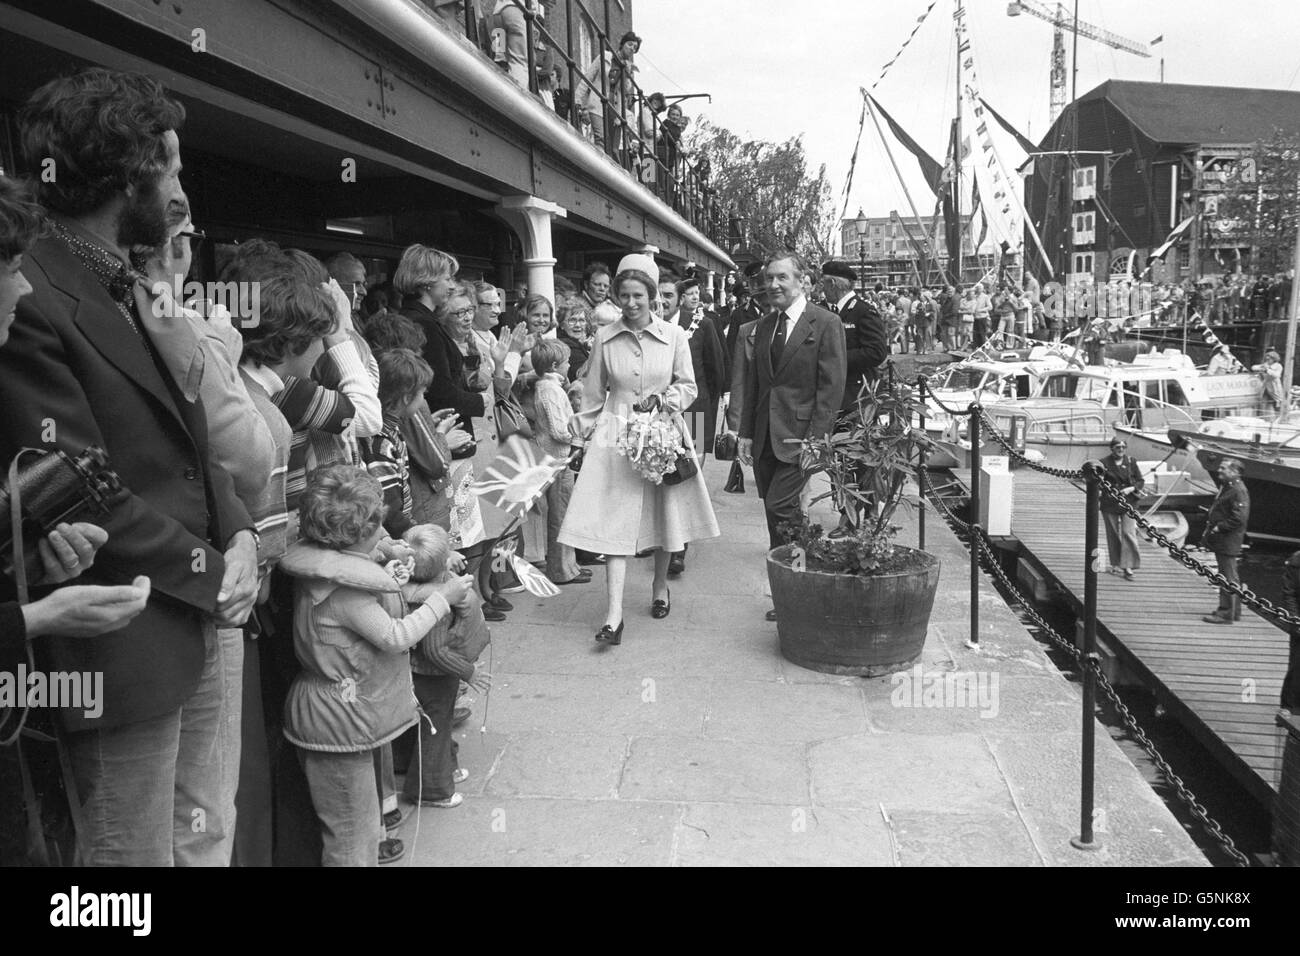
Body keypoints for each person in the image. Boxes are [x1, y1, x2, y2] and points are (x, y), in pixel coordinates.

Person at [0, 69, 258, 866]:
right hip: (124, 638)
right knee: (130, 865)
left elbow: (189, 441)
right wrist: (215, 571)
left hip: (205, 603)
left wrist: (242, 530)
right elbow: (71, 482)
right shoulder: (27, 291)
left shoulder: (133, 280)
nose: (180, 190)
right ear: (126, 174)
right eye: (171, 168)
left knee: (207, 839)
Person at [279, 466, 470, 865]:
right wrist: (443, 598)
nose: (385, 535)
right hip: (336, 721)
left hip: (337, 713)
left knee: (357, 827)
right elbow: (395, 635)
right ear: (359, 534)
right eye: (378, 528)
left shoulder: (332, 565)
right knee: (353, 838)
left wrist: (386, 564)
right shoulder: (345, 591)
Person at [559, 254, 720, 645]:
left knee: (664, 516)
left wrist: (665, 401)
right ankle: (614, 614)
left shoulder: (674, 336)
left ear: (653, 297)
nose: (631, 304)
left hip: (662, 434)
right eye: (624, 296)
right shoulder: (605, 336)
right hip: (615, 434)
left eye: (638, 296)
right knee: (614, 520)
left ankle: (660, 586)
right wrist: (578, 435)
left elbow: (688, 386)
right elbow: (594, 394)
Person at [738, 253, 847, 621]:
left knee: (782, 509)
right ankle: (788, 591)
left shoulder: (826, 323)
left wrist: (817, 439)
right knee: (774, 517)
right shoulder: (764, 326)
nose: (772, 285)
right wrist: (746, 434)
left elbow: (831, 388)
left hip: (801, 438)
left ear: (803, 282)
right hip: (766, 435)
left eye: (781, 277)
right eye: (769, 278)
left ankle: (803, 578)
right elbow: (756, 383)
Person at [399, 523, 490, 810]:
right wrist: (468, 671)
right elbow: (435, 652)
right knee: (435, 727)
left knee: (437, 724)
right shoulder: (439, 603)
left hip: (422, 674)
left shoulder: (415, 586)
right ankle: (431, 789)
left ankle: (444, 766)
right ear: (440, 567)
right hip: (433, 676)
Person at [665, 275, 725, 576]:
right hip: (658, 415)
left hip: (695, 411)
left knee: (687, 478)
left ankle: (679, 548)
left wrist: (708, 416)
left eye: (667, 295)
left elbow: (716, 373)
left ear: (677, 298)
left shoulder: (702, 325)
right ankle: (659, 538)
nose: (661, 302)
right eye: (657, 295)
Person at [530, 339, 588, 585]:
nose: (568, 367)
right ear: (555, 365)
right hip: (558, 459)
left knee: (562, 513)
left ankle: (568, 565)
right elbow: (558, 430)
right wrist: (580, 432)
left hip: (555, 457)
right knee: (561, 516)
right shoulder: (550, 390)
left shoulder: (547, 387)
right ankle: (560, 569)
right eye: (565, 363)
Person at [820, 261, 886, 412]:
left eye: (823, 284)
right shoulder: (823, 310)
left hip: (855, 396)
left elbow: (876, 352)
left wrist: (835, 358)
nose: (822, 289)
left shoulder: (863, 311)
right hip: (829, 393)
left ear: (832, 283)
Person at [1202, 458, 1250, 624]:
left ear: (1234, 472)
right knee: (1230, 576)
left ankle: (1225, 613)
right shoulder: (1229, 487)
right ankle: (1233, 611)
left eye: (1223, 468)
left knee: (1227, 576)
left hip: (1228, 540)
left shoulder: (1237, 490)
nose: (1219, 471)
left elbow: (1239, 518)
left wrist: (1219, 527)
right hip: (1224, 540)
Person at [1099, 438, 1144, 580]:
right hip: (1110, 503)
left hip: (1129, 503)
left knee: (1128, 533)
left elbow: (1140, 481)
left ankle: (1128, 566)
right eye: (1118, 447)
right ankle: (1116, 563)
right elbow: (1098, 482)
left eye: (1123, 447)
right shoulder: (1103, 463)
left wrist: (1132, 488)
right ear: (1111, 448)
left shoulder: (1131, 461)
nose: (1121, 449)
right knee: (1112, 533)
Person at [1280, 551, 1300, 711]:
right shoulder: (1295, 563)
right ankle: (1289, 708)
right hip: (1299, 623)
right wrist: (1295, 618)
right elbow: (1289, 594)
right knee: (1297, 667)